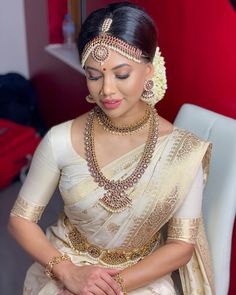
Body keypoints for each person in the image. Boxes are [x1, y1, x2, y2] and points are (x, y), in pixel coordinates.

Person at [8, 2, 215, 295]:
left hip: (141, 274)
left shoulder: (181, 151)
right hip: (65, 266)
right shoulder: (59, 140)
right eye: (94, 75)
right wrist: (69, 273)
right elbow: (20, 221)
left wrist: (106, 288)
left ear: (148, 71)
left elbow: (181, 246)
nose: (106, 89)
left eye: (121, 74)